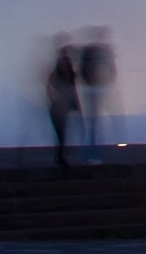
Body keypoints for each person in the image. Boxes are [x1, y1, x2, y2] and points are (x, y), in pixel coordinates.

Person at [77, 26, 116, 165]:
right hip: (94, 88)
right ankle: (92, 154)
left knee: (94, 123)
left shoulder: (99, 51)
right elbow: (111, 69)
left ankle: (92, 153)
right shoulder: (95, 51)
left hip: (97, 88)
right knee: (94, 123)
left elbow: (112, 69)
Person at [45, 37, 80, 167]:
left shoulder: (57, 72)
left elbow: (51, 89)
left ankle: (60, 157)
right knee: (61, 133)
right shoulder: (61, 73)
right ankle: (60, 157)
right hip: (59, 107)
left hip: (58, 106)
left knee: (61, 133)